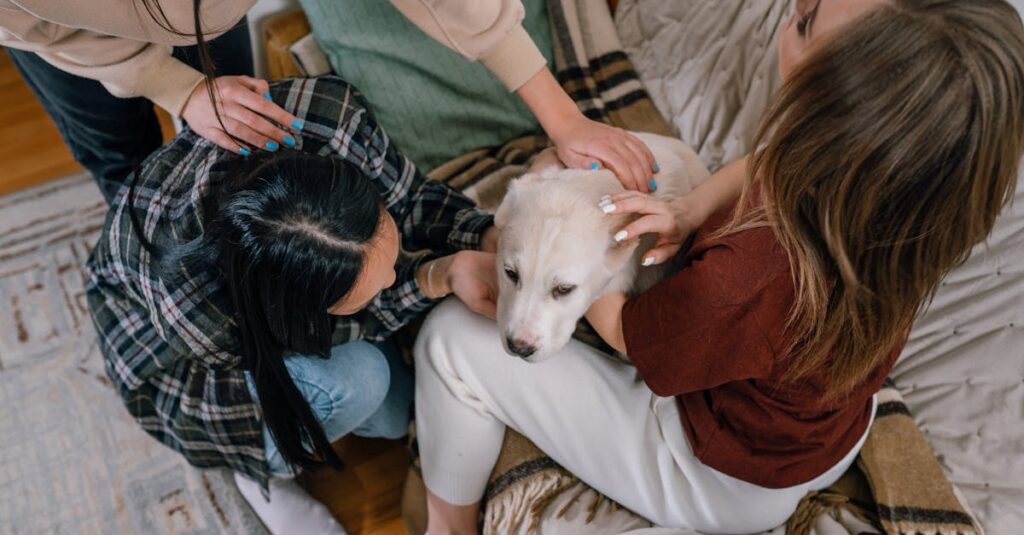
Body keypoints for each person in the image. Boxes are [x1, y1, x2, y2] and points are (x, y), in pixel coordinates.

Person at [413, 0, 1024, 533]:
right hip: (830, 434)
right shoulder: (902, 202)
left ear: (841, 108)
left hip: (724, 473)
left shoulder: (745, 278)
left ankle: (448, 526)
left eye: (806, 21)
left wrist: (586, 240)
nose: (795, 5)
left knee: (448, 339)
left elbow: (634, 338)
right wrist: (689, 206)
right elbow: (767, 159)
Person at [85, 76, 501, 535]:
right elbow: (325, 334)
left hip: (255, 300)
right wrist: (430, 276)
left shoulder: (331, 116)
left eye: (387, 246)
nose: (390, 275)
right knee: (368, 382)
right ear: (299, 310)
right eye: (368, 287)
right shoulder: (194, 306)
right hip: (178, 364)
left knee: (393, 413)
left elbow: (410, 198)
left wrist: (483, 233)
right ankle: (259, 470)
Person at [1, 0, 655, 203]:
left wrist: (561, 115)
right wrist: (174, 89)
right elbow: (45, 24)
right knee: (123, 162)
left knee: (232, 143)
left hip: (208, 20)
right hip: (62, 38)